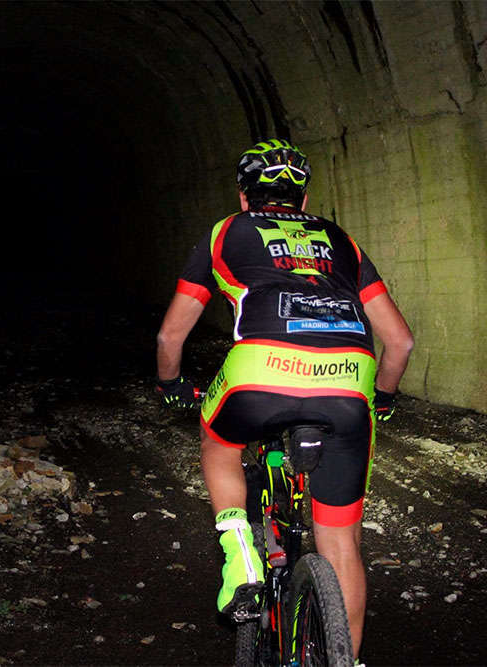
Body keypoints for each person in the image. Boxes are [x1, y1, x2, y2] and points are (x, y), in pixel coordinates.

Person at [155, 138, 413, 661]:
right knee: (341, 544)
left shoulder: (226, 232)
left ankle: (238, 552)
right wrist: (382, 397)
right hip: (347, 381)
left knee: (218, 444)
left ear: (245, 195)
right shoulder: (342, 240)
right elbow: (401, 341)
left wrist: (172, 386)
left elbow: (169, 339)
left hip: (260, 372)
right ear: (304, 196)